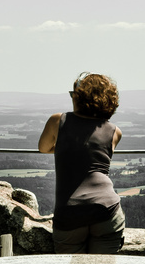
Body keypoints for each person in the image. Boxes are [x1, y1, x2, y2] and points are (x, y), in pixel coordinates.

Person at [38, 72, 124, 254]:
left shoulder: (57, 121)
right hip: (108, 211)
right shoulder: (115, 132)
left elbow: (44, 147)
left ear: (78, 97)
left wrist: (63, 147)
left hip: (69, 213)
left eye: (72, 94)